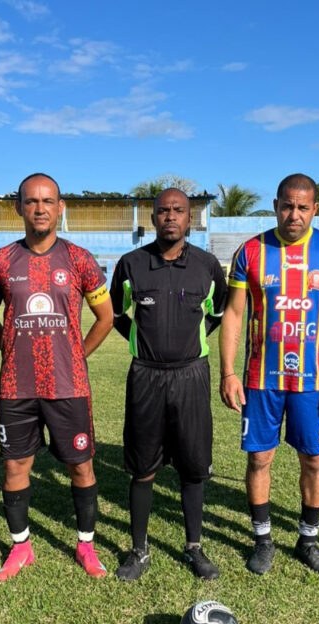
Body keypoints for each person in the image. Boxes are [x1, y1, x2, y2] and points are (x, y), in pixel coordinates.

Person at [220, 174, 319, 576]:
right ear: (275, 204)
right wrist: (228, 372)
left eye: (303, 207)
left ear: (315, 209)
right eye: (287, 205)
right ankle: (263, 540)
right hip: (260, 379)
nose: (293, 214)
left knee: (314, 462)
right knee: (260, 457)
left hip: (313, 383)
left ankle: (308, 540)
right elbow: (233, 314)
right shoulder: (250, 251)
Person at [0, 173, 113, 581]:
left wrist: (77, 354)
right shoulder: (0, 261)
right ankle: (21, 547)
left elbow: (105, 317)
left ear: (60, 207)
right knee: (15, 467)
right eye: (31, 201)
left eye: (48, 201)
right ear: (19, 208)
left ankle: (86, 545)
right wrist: (9, 346)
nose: (40, 208)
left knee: (80, 467)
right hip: (16, 386)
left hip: (68, 385)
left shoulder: (79, 258)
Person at [110, 188, 228, 581]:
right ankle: (139, 550)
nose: (171, 217)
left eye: (178, 211)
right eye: (163, 211)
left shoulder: (209, 266)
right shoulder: (130, 264)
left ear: (189, 218)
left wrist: (193, 340)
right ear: (153, 217)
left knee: (193, 467)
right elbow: (115, 312)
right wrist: (136, 339)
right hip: (145, 375)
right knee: (143, 467)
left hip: (192, 375)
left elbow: (218, 312)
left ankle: (194, 547)